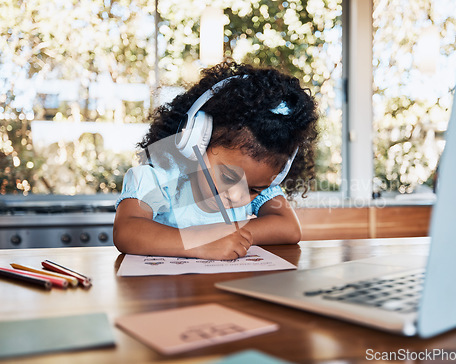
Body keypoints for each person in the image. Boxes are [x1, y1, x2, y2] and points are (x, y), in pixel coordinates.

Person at [113, 61, 318, 260]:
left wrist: (226, 231)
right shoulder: (161, 176)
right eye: (228, 176)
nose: (238, 195)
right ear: (197, 141)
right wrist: (200, 240)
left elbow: (289, 228)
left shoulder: (261, 182)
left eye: (254, 190)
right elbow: (127, 230)